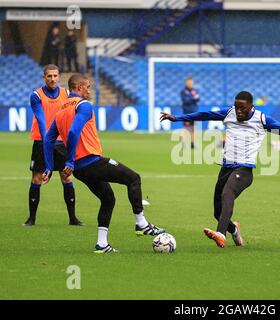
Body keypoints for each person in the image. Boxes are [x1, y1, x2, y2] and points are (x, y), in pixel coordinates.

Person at [160, 91, 280, 248]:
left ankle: (221, 234)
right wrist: (177, 118)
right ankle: (234, 230)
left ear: (251, 106)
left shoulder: (261, 119)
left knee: (227, 193)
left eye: (242, 108)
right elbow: (205, 115)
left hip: (244, 170)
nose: (238, 111)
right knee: (218, 213)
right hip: (226, 168)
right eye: (236, 107)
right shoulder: (229, 113)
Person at [43, 74, 165, 253]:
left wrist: (48, 166)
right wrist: (69, 159)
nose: (89, 90)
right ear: (78, 87)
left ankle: (102, 244)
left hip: (80, 170)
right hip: (92, 162)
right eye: (88, 87)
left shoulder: (61, 110)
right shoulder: (83, 105)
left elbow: (48, 139)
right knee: (133, 178)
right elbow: (75, 131)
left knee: (108, 199)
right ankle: (141, 224)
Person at [23, 64, 82, 227]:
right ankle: (31, 219)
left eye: (55, 76)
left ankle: (73, 218)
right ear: (44, 77)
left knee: (66, 176)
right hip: (42, 141)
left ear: (59, 76)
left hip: (61, 142)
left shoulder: (66, 94)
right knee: (36, 178)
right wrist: (48, 141)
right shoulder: (36, 96)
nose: (53, 79)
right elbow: (41, 120)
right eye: (49, 76)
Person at [180, 76, 200, 149]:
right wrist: (193, 98)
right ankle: (183, 143)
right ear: (186, 83)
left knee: (193, 128)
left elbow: (198, 98)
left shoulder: (194, 90)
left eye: (191, 83)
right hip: (187, 112)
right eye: (189, 82)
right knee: (185, 128)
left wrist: (191, 98)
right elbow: (186, 101)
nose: (190, 84)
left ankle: (192, 143)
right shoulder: (183, 91)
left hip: (194, 111)